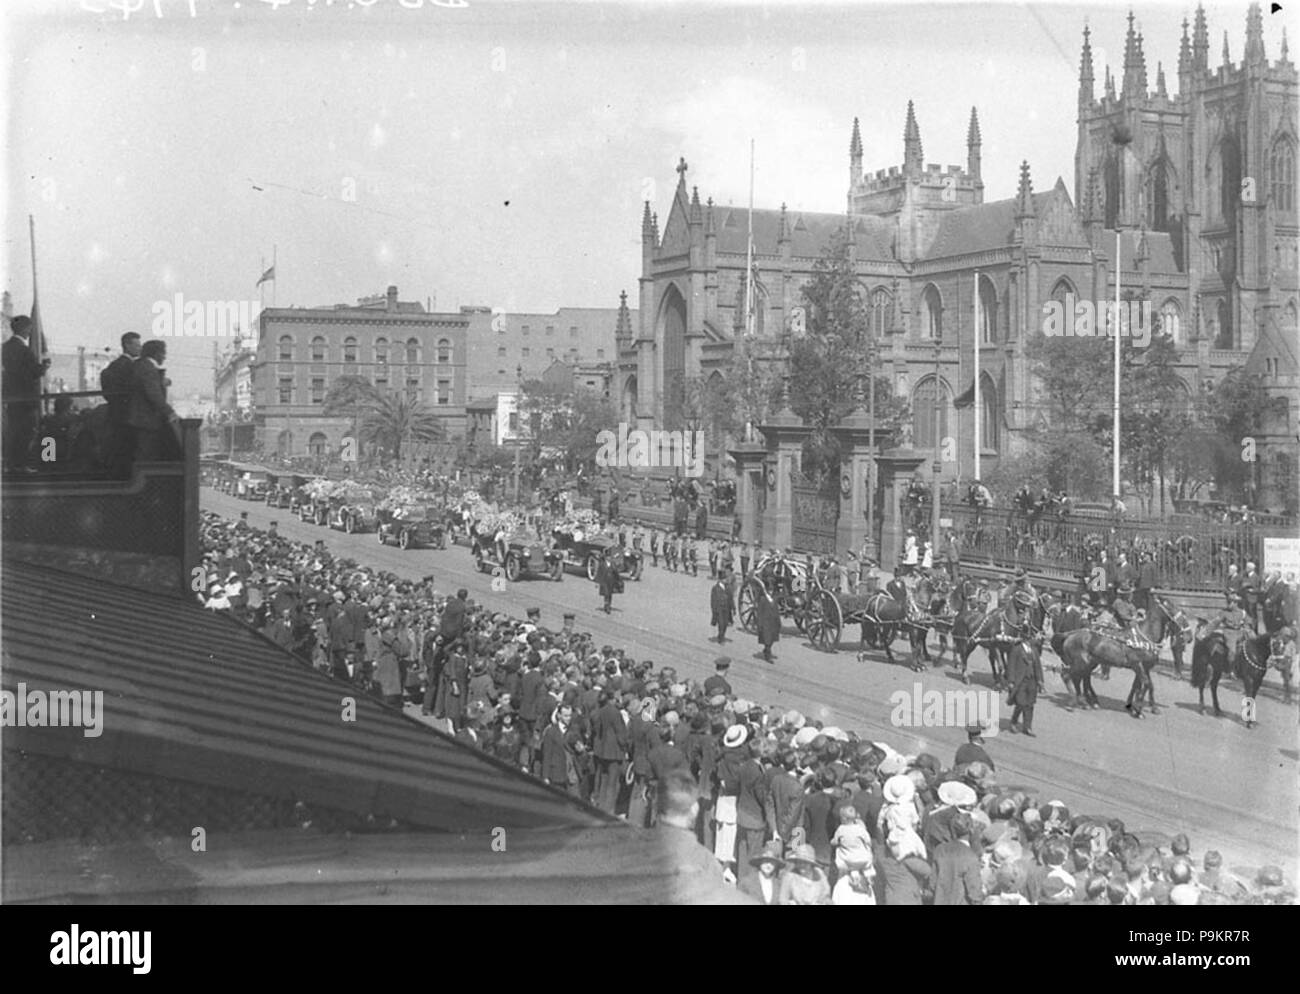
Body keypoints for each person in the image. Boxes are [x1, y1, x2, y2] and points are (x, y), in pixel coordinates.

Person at [2, 315, 51, 472]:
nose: (30, 332)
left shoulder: (5, 347)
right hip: (26, 397)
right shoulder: (23, 350)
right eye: (29, 328)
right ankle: (20, 464)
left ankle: (11, 464)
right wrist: (44, 367)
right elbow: (30, 372)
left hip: (11, 396)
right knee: (26, 431)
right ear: (25, 328)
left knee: (13, 430)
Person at [127, 339, 180, 462]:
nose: (165, 357)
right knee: (147, 455)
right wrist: (170, 412)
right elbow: (153, 394)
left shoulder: (142, 365)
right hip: (147, 420)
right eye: (163, 353)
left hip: (143, 420)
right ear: (156, 354)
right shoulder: (148, 368)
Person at [99, 331, 141, 478]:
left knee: (119, 448)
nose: (139, 348)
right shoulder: (129, 366)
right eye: (136, 345)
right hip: (128, 416)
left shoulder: (114, 366)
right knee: (127, 449)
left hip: (116, 414)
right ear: (127, 345)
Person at [931, 811, 985, 905]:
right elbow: (975, 893)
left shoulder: (939, 849)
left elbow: (932, 884)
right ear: (971, 831)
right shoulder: (970, 856)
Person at [1005, 638, 1045, 736]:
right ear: (1027, 639)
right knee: (1021, 703)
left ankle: (1027, 727)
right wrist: (1011, 681)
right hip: (1020, 681)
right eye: (1033, 638)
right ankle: (1014, 722)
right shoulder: (1016, 650)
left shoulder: (1034, 650)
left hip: (1032, 681)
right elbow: (1011, 666)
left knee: (1030, 704)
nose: (1035, 640)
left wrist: (1040, 680)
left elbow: (1038, 666)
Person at [738, 840, 785, 905]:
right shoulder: (746, 882)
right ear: (760, 861)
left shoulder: (779, 885)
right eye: (766, 860)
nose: (768, 865)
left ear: (776, 865)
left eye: (772, 862)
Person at [756, 584, 780, 662]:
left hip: (773, 622)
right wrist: (760, 624)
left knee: (772, 639)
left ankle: (766, 649)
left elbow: (777, 611)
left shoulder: (774, 599)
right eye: (769, 590)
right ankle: (768, 656)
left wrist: (779, 621)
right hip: (765, 623)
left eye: (772, 590)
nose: (770, 592)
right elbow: (759, 613)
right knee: (767, 640)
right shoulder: (763, 600)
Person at [710, 570, 734, 643]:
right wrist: (714, 610)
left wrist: (733, 608)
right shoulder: (715, 588)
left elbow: (731, 598)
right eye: (724, 579)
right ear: (720, 580)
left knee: (725, 623)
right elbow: (713, 600)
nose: (726, 580)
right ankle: (721, 637)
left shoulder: (728, 588)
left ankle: (722, 634)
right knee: (721, 623)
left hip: (726, 608)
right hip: (719, 608)